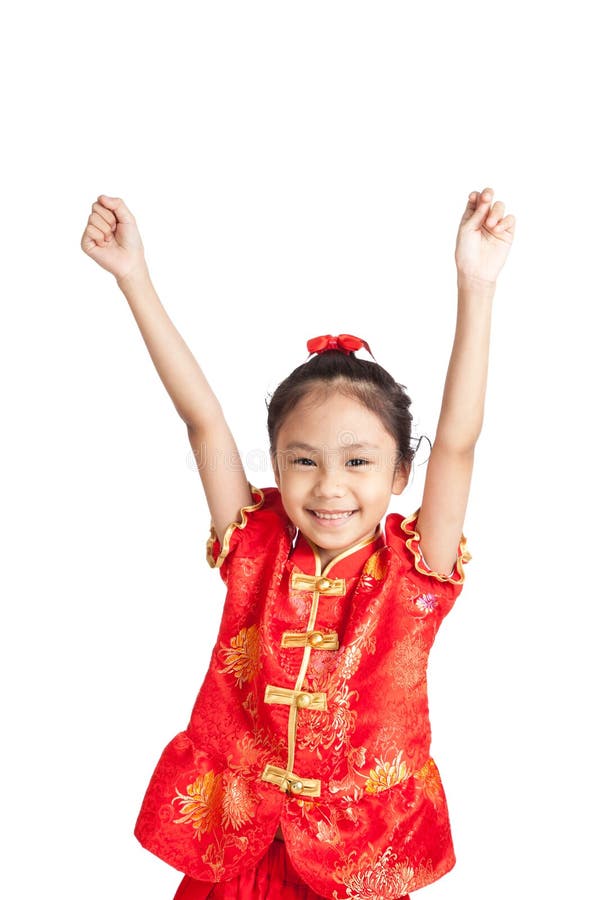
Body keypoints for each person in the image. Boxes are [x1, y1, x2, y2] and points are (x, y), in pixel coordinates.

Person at [81, 187, 515, 899]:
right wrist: (133, 276)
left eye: (358, 462)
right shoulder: (254, 546)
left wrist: (477, 284)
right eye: (303, 460)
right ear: (276, 465)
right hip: (240, 857)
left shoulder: (414, 573)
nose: (328, 487)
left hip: (355, 862)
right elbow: (204, 422)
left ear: (402, 471)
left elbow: (460, 445)